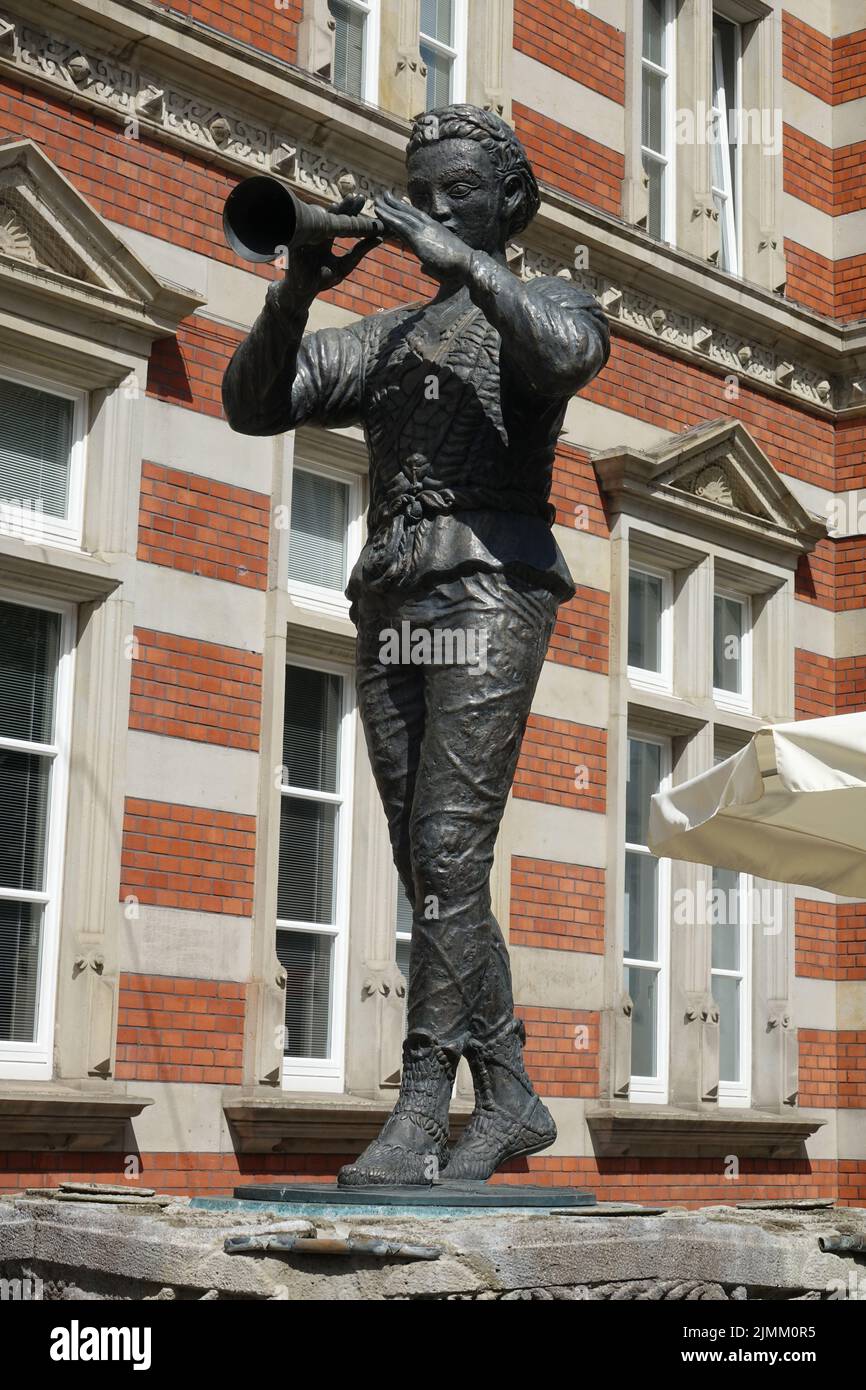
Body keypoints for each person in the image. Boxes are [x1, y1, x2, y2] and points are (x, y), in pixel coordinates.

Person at [223, 104, 610, 1185]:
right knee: (426, 861)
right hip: (389, 598)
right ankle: (515, 1097)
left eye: (457, 193)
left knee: (446, 847)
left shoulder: (549, 297)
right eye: (421, 190)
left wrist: (459, 262)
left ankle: (426, 1098)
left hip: (489, 592)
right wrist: (299, 277)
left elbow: (568, 356)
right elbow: (253, 403)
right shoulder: (387, 334)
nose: (432, 208)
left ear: (506, 203)